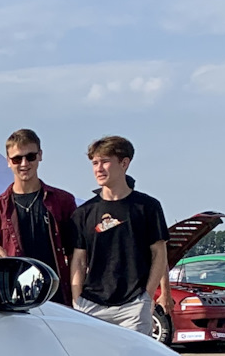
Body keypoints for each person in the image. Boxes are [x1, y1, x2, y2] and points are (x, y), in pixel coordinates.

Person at [65, 136, 169, 332]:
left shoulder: (147, 207)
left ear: (124, 163)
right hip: (91, 305)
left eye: (105, 161)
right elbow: (78, 260)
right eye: (95, 163)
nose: (98, 168)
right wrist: (77, 299)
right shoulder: (83, 213)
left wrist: (147, 296)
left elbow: (159, 253)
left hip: (133, 304)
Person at [0, 129, 76, 304]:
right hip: (17, 296)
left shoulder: (63, 201)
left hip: (58, 295)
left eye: (30, 156)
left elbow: (77, 250)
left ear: (40, 155)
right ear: (8, 161)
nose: (24, 163)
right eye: (17, 159)